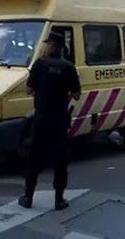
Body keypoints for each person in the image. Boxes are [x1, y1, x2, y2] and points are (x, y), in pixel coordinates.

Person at [18, 31, 81, 211]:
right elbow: (76, 95)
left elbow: (28, 90)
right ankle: (59, 199)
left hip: (41, 120)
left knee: (34, 159)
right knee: (60, 160)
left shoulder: (39, 64)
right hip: (59, 121)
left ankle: (28, 197)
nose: (46, 46)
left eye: (48, 43)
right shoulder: (68, 67)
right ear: (62, 48)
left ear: (52, 45)